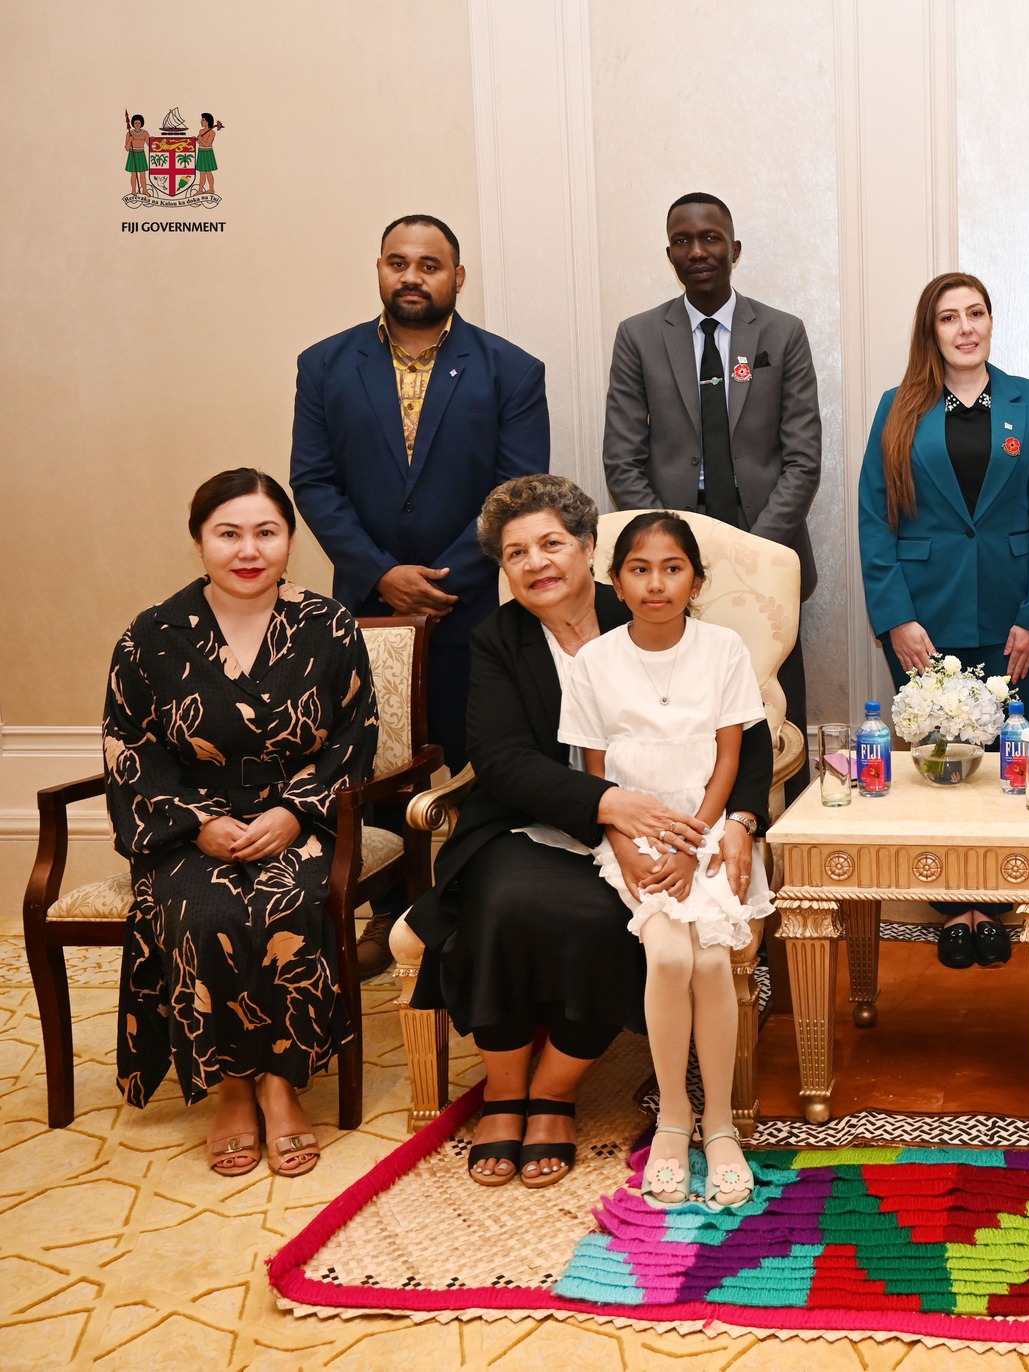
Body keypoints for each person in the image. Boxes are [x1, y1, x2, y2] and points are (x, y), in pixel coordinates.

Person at [403, 476, 772, 1188]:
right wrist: (611, 807)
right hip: (526, 823)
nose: (537, 563)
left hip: (658, 832)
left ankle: (557, 1088)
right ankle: (506, 1090)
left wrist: (740, 821)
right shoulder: (497, 641)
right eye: (516, 554)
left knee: (607, 919)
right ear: (504, 570)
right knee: (502, 903)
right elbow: (503, 762)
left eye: (551, 544)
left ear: (590, 550)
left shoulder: (642, 604)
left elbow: (745, 739)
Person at [291, 213, 549, 977]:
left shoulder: (510, 369)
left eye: (429, 265)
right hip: (364, 611)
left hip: (471, 610)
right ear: (378, 268)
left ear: (457, 278)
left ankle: (476, 909)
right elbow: (315, 481)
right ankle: (389, 916)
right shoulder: (325, 364)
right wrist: (381, 575)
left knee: (487, 763)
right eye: (398, 263)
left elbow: (517, 491)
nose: (413, 276)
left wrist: (439, 577)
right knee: (373, 767)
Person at [105, 469, 378, 1179]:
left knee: (288, 903)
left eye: (267, 532)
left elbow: (356, 735)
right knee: (205, 909)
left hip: (300, 815)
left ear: (290, 542)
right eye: (229, 533)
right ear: (200, 542)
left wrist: (294, 812)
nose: (248, 549)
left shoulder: (329, 626)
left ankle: (283, 1085)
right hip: (185, 828)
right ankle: (231, 1087)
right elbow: (129, 749)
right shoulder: (152, 635)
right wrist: (197, 824)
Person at [558, 513, 772, 1209]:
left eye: (673, 568)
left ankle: (721, 1125)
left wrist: (698, 840)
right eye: (640, 569)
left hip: (704, 826)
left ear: (696, 581)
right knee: (672, 957)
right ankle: (674, 1118)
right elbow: (595, 778)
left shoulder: (724, 648)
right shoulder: (594, 661)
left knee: (709, 959)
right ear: (615, 582)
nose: (657, 583)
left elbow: (732, 759)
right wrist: (631, 845)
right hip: (631, 834)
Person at [856, 272, 1029, 969]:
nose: (966, 327)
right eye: (950, 317)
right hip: (925, 614)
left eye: (977, 313)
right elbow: (874, 521)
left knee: (1005, 761)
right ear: (932, 331)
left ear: (991, 321)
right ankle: (954, 908)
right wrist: (895, 620)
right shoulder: (899, 408)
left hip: (1011, 615)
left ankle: (995, 904)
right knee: (938, 762)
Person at [603, 192, 823, 804]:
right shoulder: (639, 336)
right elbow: (623, 459)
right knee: (680, 708)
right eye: (683, 240)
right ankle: (683, 827)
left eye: (710, 238)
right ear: (669, 252)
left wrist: (750, 553)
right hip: (667, 555)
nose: (697, 251)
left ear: (735, 248)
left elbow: (802, 459)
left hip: (767, 553)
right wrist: (669, 553)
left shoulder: (781, 332)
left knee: (777, 707)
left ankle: (785, 847)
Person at [193, 113, 223, 196]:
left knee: (208, 172)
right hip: (201, 152)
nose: (201, 122)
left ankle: (211, 189)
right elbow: (200, 143)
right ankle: (200, 190)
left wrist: (200, 139)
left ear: (208, 121)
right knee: (202, 173)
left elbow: (207, 144)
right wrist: (197, 140)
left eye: (203, 120)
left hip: (207, 153)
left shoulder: (212, 133)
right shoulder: (201, 131)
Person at [125, 114, 148, 196]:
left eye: (138, 123)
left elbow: (150, 144)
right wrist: (129, 140)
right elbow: (127, 148)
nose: (137, 124)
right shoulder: (129, 133)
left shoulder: (145, 133)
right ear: (133, 124)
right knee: (133, 174)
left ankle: (144, 190)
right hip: (132, 154)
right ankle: (133, 190)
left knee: (142, 174)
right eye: (135, 123)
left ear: (141, 123)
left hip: (141, 154)